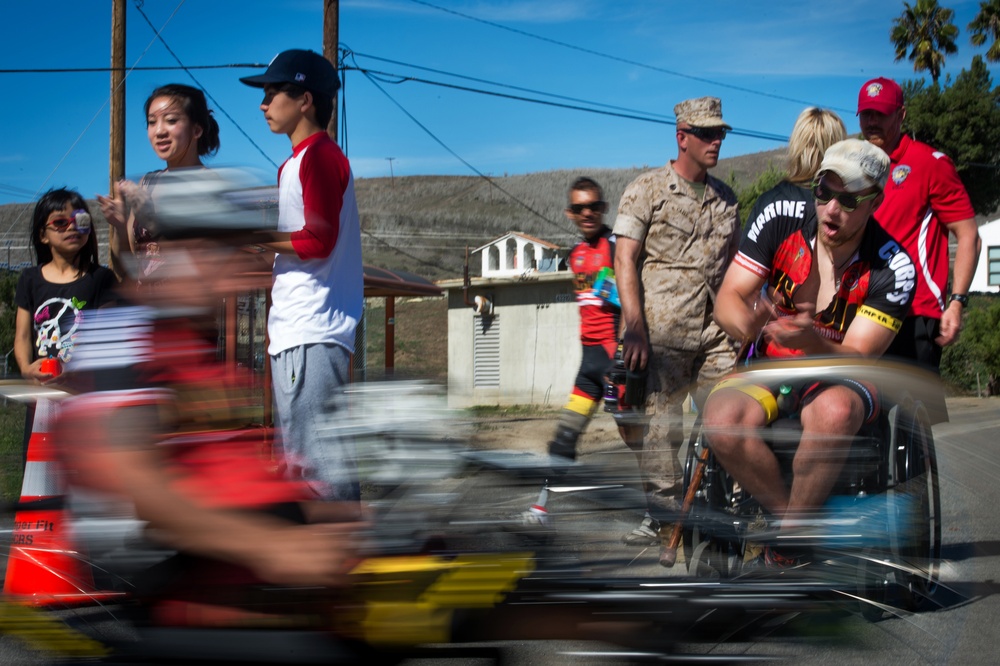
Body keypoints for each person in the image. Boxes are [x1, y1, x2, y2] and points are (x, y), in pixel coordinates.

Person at [55, 235, 364, 625]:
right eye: (221, 256)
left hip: (234, 549)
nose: (233, 275)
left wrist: (339, 520)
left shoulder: (189, 345)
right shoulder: (123, 334)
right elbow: (135, 485)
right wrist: (275, 546)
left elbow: (234, 474)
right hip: (176, 569)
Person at [703, 138, 915, 567]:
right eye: (824, 192)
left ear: (874, 202)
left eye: (849, 199)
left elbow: (857, 354)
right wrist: (754, 326)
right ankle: (796, 529)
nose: (832, 209)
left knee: (834, 412)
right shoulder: (780, 215)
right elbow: (728, 299)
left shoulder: (893, 267)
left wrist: (811, 341)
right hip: (771, 362)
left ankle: (786, 548)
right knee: (721, 420)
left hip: (840, 373)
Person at [612, 97, 741, 556]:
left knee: (732, 416)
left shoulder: (727, 199)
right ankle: (666, 520)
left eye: (720, 134)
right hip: (662, 334)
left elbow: (736, 266)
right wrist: (634, 326)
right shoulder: (646, 189)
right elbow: (624, 259)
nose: (716, 142)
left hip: (717, 332)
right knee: (660, 430)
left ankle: (727, 505)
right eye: (707, 134)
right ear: (681, 136)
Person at [239, 49, 364, 501]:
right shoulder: (297, 162)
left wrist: (257, 237)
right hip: (299, 329)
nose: (263, 103)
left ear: (305, 99)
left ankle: (344, 561)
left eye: (273, 92)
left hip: (312, 329)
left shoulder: (318, 157)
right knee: (305, 460)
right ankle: (329, 559)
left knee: (318, 463)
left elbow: (317, 241)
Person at [521, 177, 636, 523]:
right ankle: (540, 507)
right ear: (569, 213)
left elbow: (633, 301)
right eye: (579, 208)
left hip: (616, 363)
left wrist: (623, 355)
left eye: (594, 206)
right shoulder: (575, 254)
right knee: (565, 438)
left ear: (604, 208)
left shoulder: (617, 248)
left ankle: (661, 512)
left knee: (639, 440)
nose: (587, 213)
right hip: (587, 366)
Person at [856, 77, 981, 370]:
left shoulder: (931, 164)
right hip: (860, 309)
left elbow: (969, 236)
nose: (872, 122)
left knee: (911, 414)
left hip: (914, 312)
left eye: (881, 114)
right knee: (858, 410)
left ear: (901, 115)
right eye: (866, 114)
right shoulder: (853, 166)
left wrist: (957, 302)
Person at [14, 188, 116, 465]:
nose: (72, 226)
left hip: (85, 402)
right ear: (43, 235)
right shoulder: (30, 279)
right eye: (60, 222)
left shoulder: (101, 279)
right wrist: (26, 368)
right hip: (42, 402)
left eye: (81, 219)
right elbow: (22, 336)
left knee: (87, 476)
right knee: (40, 472)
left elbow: (104, 339)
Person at [97, 83, 221, 286]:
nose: (159, 131)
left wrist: (154, 224)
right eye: (152, 122)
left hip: (188, 313)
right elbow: (126, 269)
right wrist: (119, 226)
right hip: (146, 312)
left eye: (171, 120)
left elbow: (210, 266)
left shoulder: (213, 185)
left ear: (197, 129)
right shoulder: (148, 183)